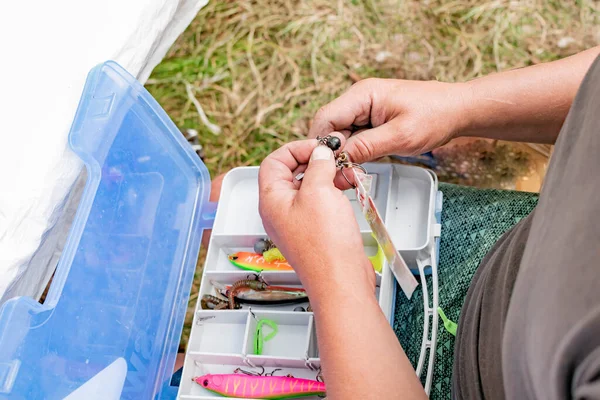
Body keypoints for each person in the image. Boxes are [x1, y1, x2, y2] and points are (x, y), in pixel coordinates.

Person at [257, 45, 600, 399]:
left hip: (461, 376)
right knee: (224, 194)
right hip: (515, 241)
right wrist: (459, 105)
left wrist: (334, 279)